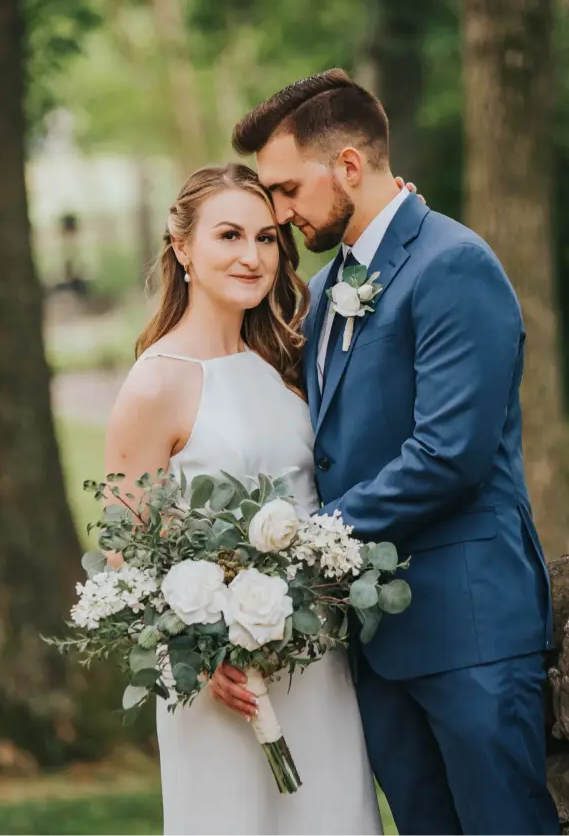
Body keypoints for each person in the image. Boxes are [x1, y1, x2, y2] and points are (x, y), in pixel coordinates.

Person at [212, 69, 559, 835]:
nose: (279, 212)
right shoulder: (331, 284)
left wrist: (305, 542)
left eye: (286, 188)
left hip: (470, 632)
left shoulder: (454, 266)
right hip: (377, 645)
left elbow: (449, 455)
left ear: (348, 166)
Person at [101, 163, 386, 835]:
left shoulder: (286, 358)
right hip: (223, 682)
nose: (252, 256)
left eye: (265, 239)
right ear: (182, 248)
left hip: (317, 663)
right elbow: (123, 553)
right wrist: (201, 655)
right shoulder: (157, 383)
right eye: (229, 235)